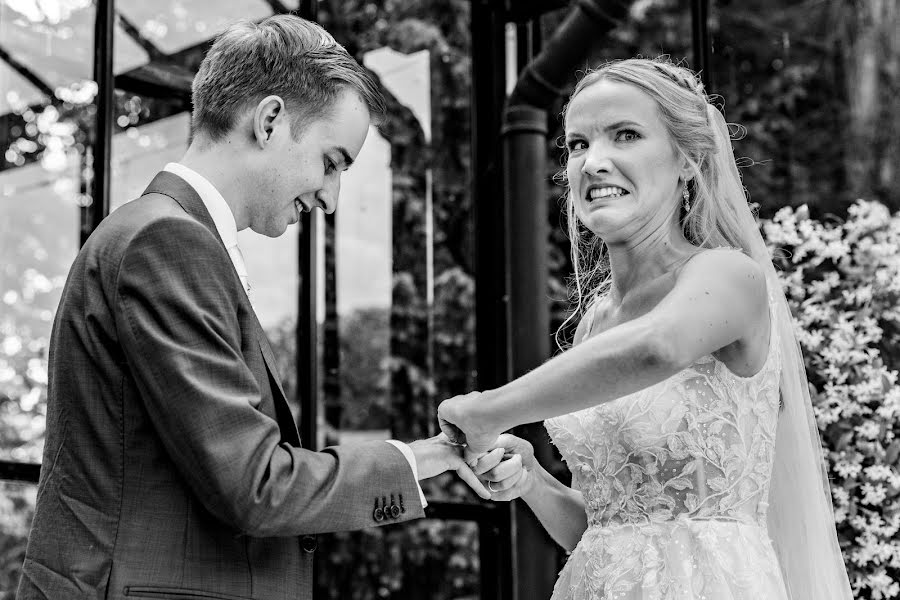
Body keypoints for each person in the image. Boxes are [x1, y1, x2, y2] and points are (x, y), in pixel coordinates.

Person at [16, 15, 507, 600]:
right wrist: (435, 455)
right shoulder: (165, 243)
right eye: (332, 162)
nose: (331, 197)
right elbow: (255, 486)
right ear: (271, 120)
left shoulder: (173, 239)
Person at [441, 58, 854, 599]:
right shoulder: (595, 323)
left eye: (626, 136)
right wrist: (534, 481)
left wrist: (488, 410)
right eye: (579, 144)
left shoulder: (727, 275)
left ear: (686, 160)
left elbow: (661, 347)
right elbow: (605, 531)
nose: (594, 162)